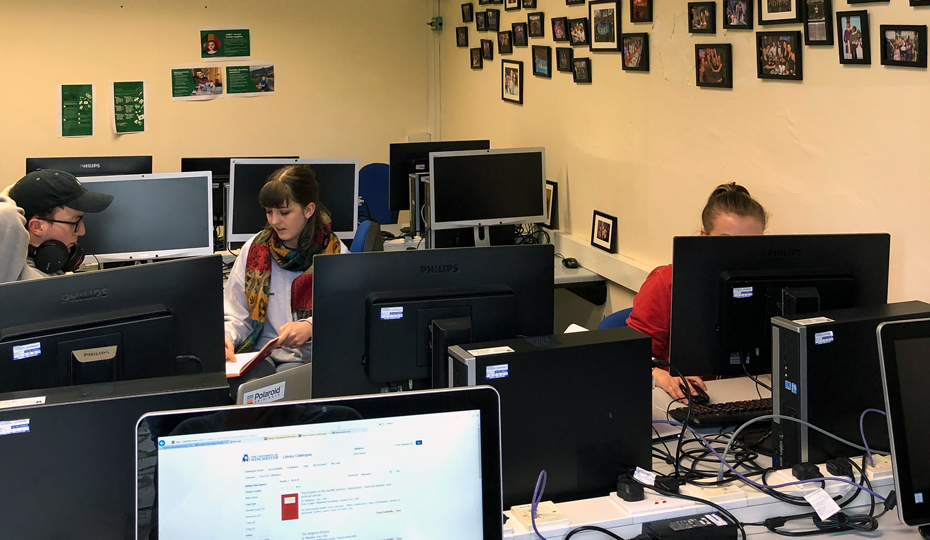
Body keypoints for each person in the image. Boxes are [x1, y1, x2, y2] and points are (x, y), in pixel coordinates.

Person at [626, 183, 768, 401]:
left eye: (750, 244)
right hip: (680, 401)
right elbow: (629, 356)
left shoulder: (767, 289)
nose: (738, 254)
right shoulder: (666, 282)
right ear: (704, 237)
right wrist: (662, 376)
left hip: (743, 399)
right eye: (726, 242)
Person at [223, 165, 347, 377]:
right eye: (269, 212)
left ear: (308, 210)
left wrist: (310, 327)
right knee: (250, 392)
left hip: (311, 359)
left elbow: (347, 316)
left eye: (284, 212)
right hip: (262, 356)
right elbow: (237, 315)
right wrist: (227, 337)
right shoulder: (254, 250)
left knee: (291, 391)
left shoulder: (334, 254)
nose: (274, 221)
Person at [0, 169, 113, 284]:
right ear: (37, 227)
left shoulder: (50, 273)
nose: (82, 231)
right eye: (75, 222)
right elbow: (5, 214)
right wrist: (5, 201)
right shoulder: (13, 278)